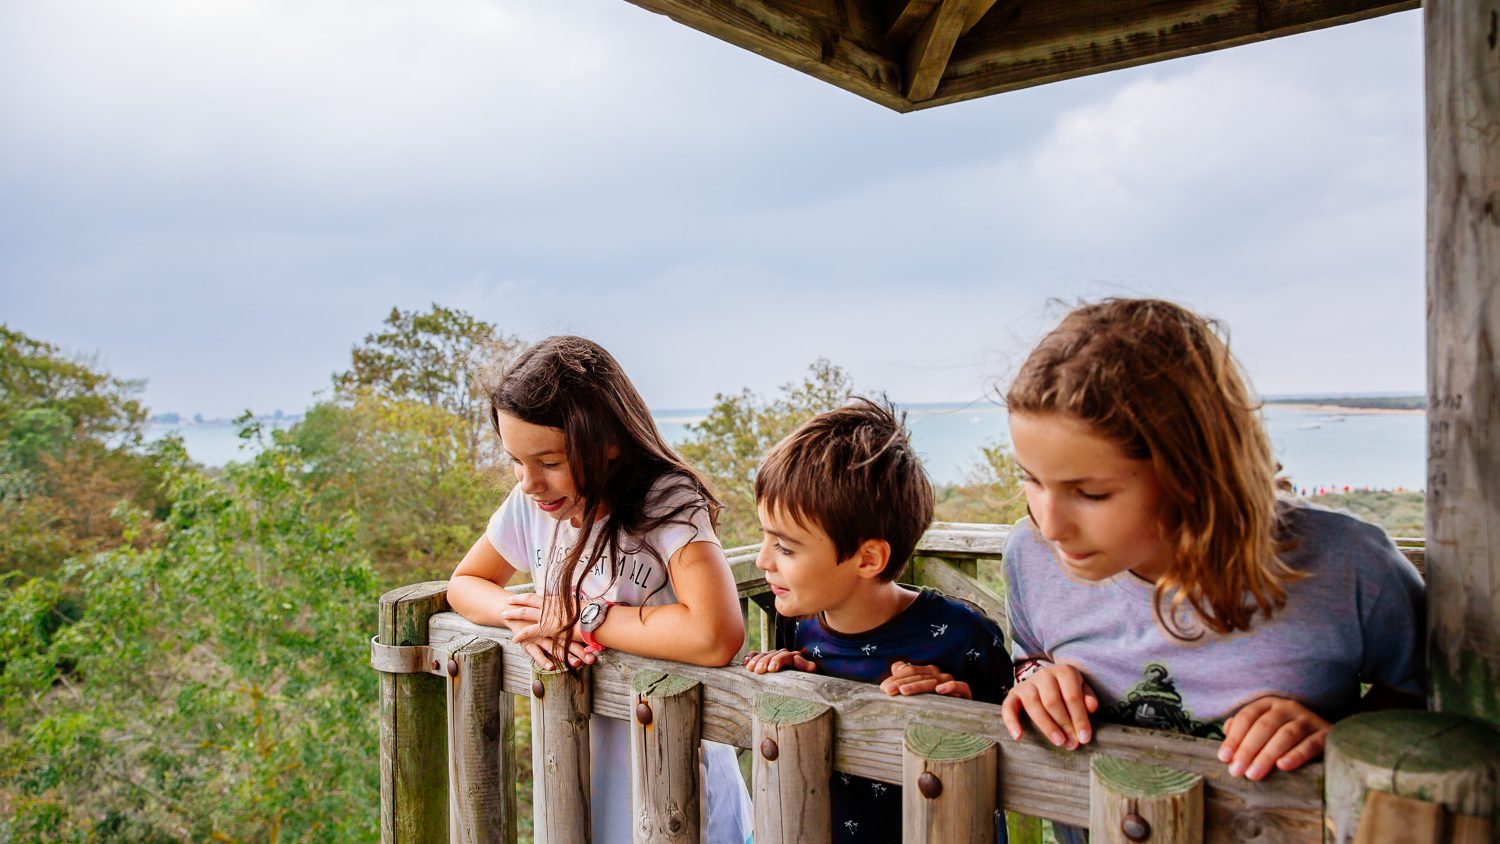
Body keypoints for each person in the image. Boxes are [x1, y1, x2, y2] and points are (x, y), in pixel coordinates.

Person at [999, 299, 1424, 841]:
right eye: (1031, 479)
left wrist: (1345, 736)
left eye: (1091, 492)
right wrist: (1036, 679)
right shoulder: (1031, 557)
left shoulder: (1348, 565)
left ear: (1193, 471)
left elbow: (1430, 700)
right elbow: (1031, 654)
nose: (1050, 524)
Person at [447, 335, 752, 844]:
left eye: (547, 462)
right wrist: (521, 613)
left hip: (679, 793)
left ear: (609, 442)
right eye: (515, 462)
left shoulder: (669, 503)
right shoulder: (532, 507)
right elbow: (466, 584)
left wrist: (581, 618)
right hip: (576, 785)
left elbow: (716, 634)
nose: (528, 482)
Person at [742, 398, 1012, 844]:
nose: (762, 559)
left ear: (868, 558)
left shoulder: (964, 637)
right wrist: (790, 681)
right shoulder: (799, 624)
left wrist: (962, 713)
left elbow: (1016, 752)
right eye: (764, 537)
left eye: (785, 548)